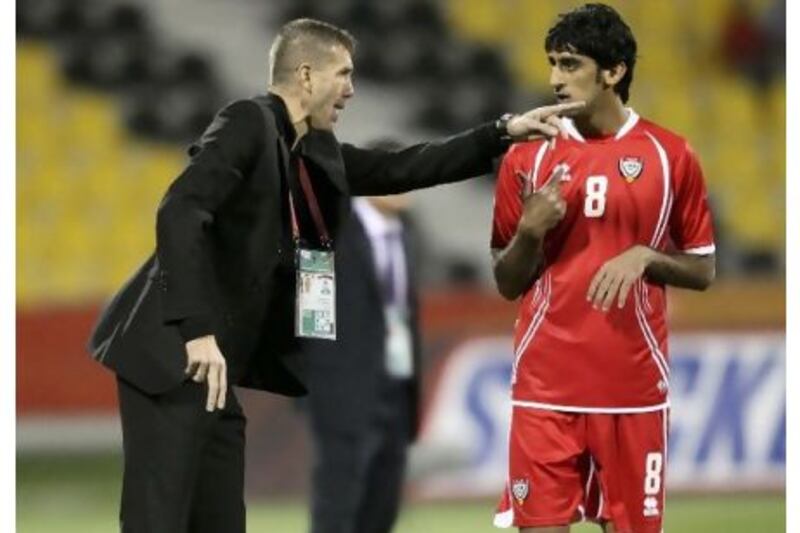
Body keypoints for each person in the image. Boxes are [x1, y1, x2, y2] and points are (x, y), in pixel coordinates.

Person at [87, 17, 582, 533]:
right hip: (172, 353)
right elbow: (180, 210)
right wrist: (197, 331)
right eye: (343, 74)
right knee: (156, 518)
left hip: (217, 369)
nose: (351, 89)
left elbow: (403, 167)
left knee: (222, 520)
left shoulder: (313, 152)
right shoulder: (248, 122)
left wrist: (501, 132)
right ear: (305, 75)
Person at [489, 4, 715, 533]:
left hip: (631, 390)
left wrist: (647, 257)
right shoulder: (528, 158)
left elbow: (703, 270)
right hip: (544, 389)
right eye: (552, 63)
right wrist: (529, 230)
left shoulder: (670, 155)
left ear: (613, 72)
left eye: (570, 65)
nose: (553, 80)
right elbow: (505, 282)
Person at [303, 154, 419, 532]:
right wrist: (319, 387)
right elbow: (310, 311)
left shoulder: (404, 233)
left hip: (395, 387)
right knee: (339, 503)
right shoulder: (330, 226)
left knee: (382, 502)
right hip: (343, 390)